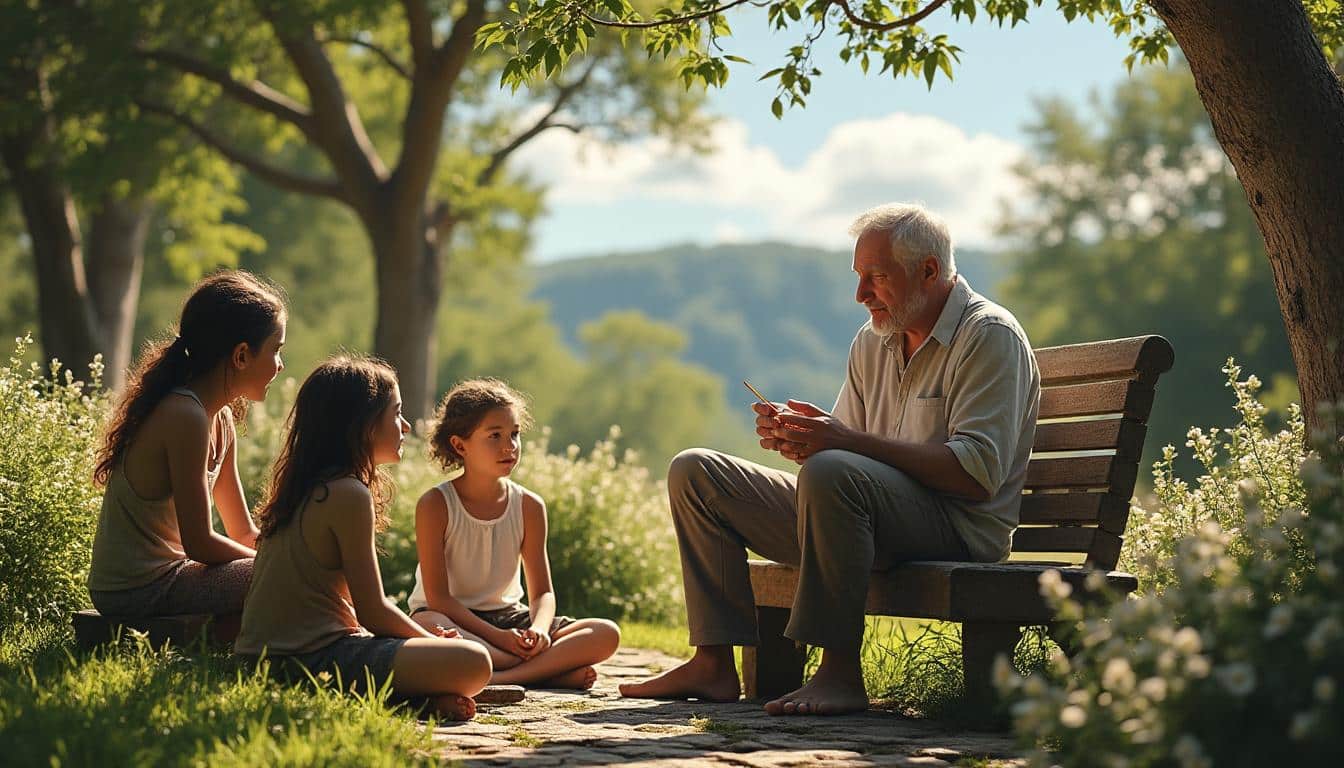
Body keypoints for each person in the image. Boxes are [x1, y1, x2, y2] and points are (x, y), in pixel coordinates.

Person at [619, 203, 1041, 715]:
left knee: (832, 469)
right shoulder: (871, 341)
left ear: (929, 271)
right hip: (868, 521)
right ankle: (712, 662)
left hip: (957, 529)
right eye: (859, 276)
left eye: (876, 277)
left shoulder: (988, 335)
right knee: (694, 471)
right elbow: (843, 462)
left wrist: (838, 444)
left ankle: (839, 672)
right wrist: (802, 440)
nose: (860, 294)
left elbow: (975, 475)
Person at [234, 356, 491, 721]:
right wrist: (427, 641)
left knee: (437, 641)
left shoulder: (309, 487)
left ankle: (414, 698)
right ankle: (405, 698)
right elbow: (373, 613)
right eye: (396, 414)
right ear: (364, 425)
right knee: (474, 661)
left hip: (261, 660)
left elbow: (353, 610)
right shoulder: (347, 494)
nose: (404, 426)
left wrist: (417, 635)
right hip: (306, 662)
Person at [88, 270, 286, 631]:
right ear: (241, 355)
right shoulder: (184, 415)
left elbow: (241, 531)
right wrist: (280, 567)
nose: (280, 364)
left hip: (177, 577)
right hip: (137, 589)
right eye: (276, 350)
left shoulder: (220, 419)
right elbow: (200, 544)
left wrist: (288, 558)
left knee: (302, 578)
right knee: (296, 582)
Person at [407, 378, 621, 690]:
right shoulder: (435, 505)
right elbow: (438, 598)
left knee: (606, 633)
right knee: (424, 626)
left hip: (510, 618)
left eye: (515, 434)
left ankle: (502, 677)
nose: (510, 446)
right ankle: (547, 671)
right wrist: (502, 641)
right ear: (459, 445)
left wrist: (540, 630)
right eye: (495, 436)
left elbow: (542, 593)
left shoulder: (529, 506)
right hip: (451, 618)